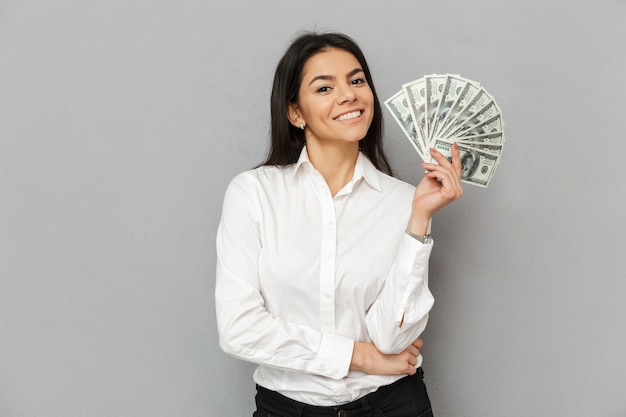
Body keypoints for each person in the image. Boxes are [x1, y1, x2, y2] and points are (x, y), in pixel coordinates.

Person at [215, 31, 463, 417]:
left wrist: (420, 219)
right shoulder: (253, 194)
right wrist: (359, 356)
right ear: (295, 113)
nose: (348, 95)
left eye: (356, 80)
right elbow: (238, 329)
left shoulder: (403, 201)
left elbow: (394, 338)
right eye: (324, 87)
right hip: (287, 408)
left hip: (393, 405)